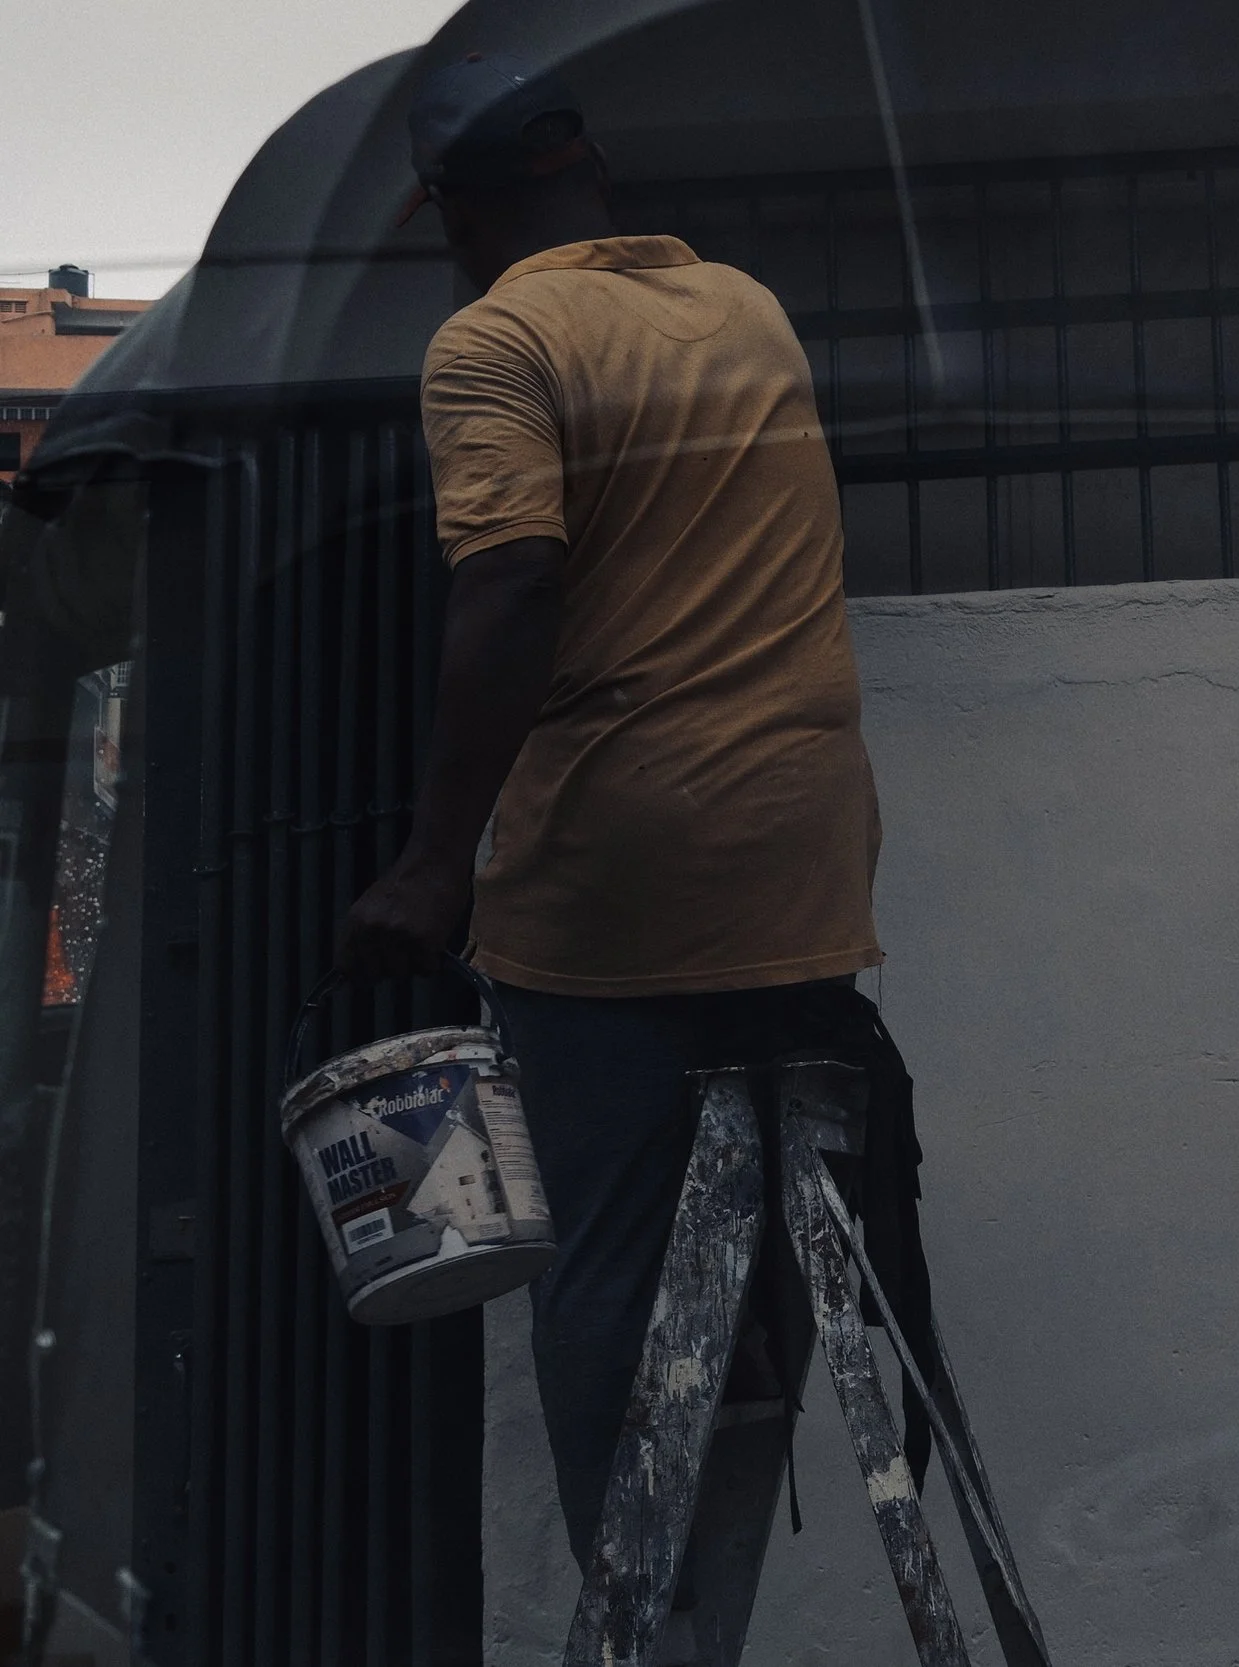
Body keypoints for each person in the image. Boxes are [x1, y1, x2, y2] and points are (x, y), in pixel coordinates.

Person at [335, 52, 913, 1622]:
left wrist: (434, 857)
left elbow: (512, 581)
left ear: (455, 213)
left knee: (601, 1253)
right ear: (591, 172)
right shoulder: (747, 308)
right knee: (755, 1236)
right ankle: (726, 1532)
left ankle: (637, 1610)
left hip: (623, 868)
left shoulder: (496, 339)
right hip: (802, 856)